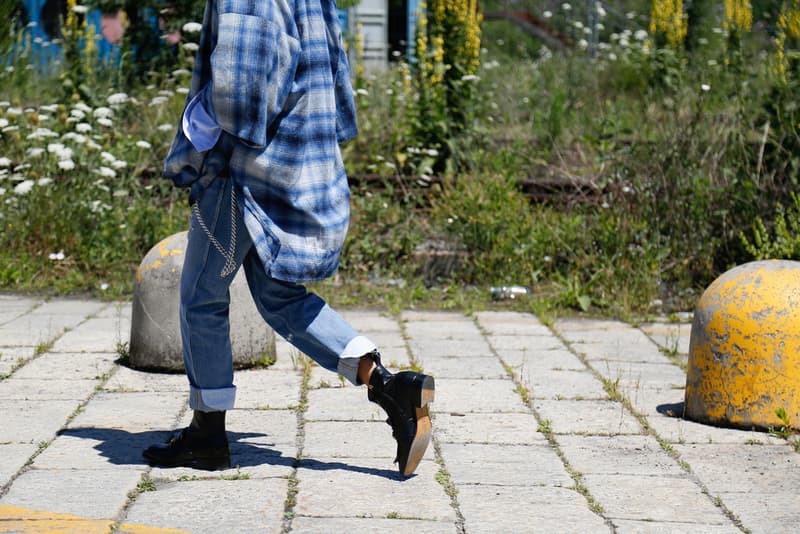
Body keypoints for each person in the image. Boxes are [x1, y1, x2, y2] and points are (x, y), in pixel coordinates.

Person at [142, 0, 435, 477]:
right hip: (293, 159)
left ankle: (207, 436)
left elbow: (241, 91)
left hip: (242, 170)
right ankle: (389, 385)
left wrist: (197, 128)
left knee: (200, 295)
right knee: (278, 295)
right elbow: (335, 67)